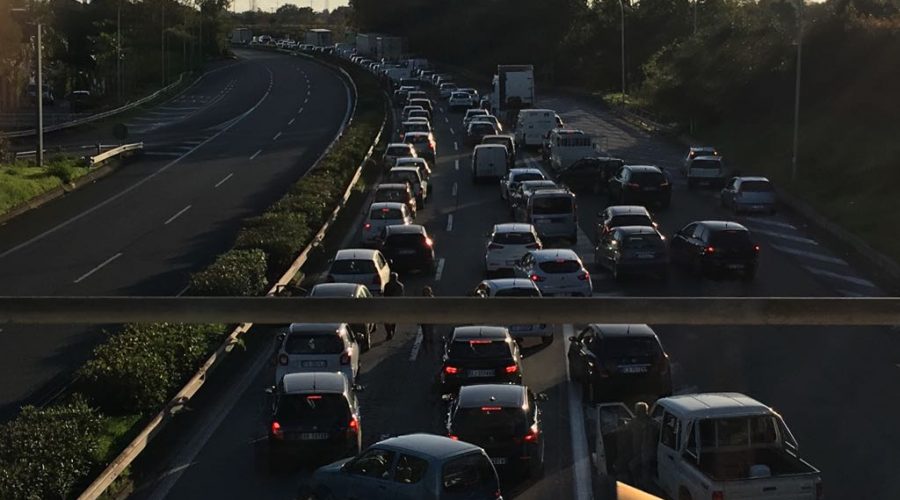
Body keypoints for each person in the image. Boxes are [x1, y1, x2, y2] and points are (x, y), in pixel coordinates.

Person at [382, 272, 405, 340]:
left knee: (393, 320)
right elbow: (385, 295)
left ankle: (392, 330)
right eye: (392, 278)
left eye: (394, 278)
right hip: (388, 305)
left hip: (395, 306)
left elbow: (401, 296)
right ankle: (389, 333)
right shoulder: (387, 285)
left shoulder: (400, 286)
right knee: (386, 320)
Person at [419, 285, 435, 354]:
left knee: (430, 332)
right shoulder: (422, 300)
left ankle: (430, 345)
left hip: (430, 319)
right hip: (424, 320)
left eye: (427, 292)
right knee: (425, 334)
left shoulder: (432, 299)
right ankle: (427, 347)